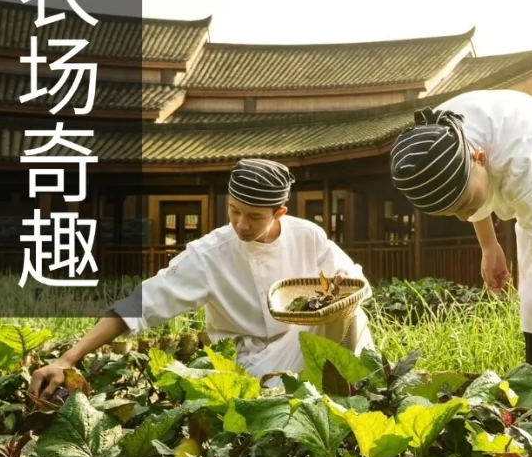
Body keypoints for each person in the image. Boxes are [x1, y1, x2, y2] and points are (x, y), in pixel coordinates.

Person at [28, 157, 373, 400]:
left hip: (301, 340)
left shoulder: (306, 235)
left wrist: (340, 282)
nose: (241, 225)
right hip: (253, 361)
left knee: (349, 313)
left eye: (254, 217)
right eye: (234, 211)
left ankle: (349, 395)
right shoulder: (209, 254)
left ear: (279, 212)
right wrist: (66, 360)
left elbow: (351, 281)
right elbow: (138, 305)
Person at [389, 89, 532, 407]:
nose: (465, 216)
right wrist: (489, 245)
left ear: (479, 158)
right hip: (516, 173)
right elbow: (469, 195)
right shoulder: (432, 141)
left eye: (465, 205)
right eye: (452, 213)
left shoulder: (527, 165)